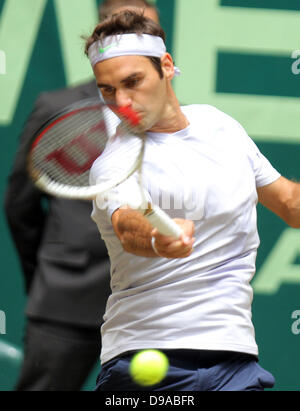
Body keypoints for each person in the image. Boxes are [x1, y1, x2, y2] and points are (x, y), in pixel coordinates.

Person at [85, 10, 300, 391]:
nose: (121, 101)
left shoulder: (220, 126)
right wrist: (157, 240)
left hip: (234, 357)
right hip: (143, 359)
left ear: (166, 66)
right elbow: (127, 226)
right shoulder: (114, 163)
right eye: (107, 90)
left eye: (132, 82)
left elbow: (289, 202)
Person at [4, 0, 159, 392]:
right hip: (65, 300)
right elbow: (20, 205)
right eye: (125, 30)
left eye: (147, 32)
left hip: (149, 306)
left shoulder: (175, 119)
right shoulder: (57, 107)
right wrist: (49, 269)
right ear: (102, 33)